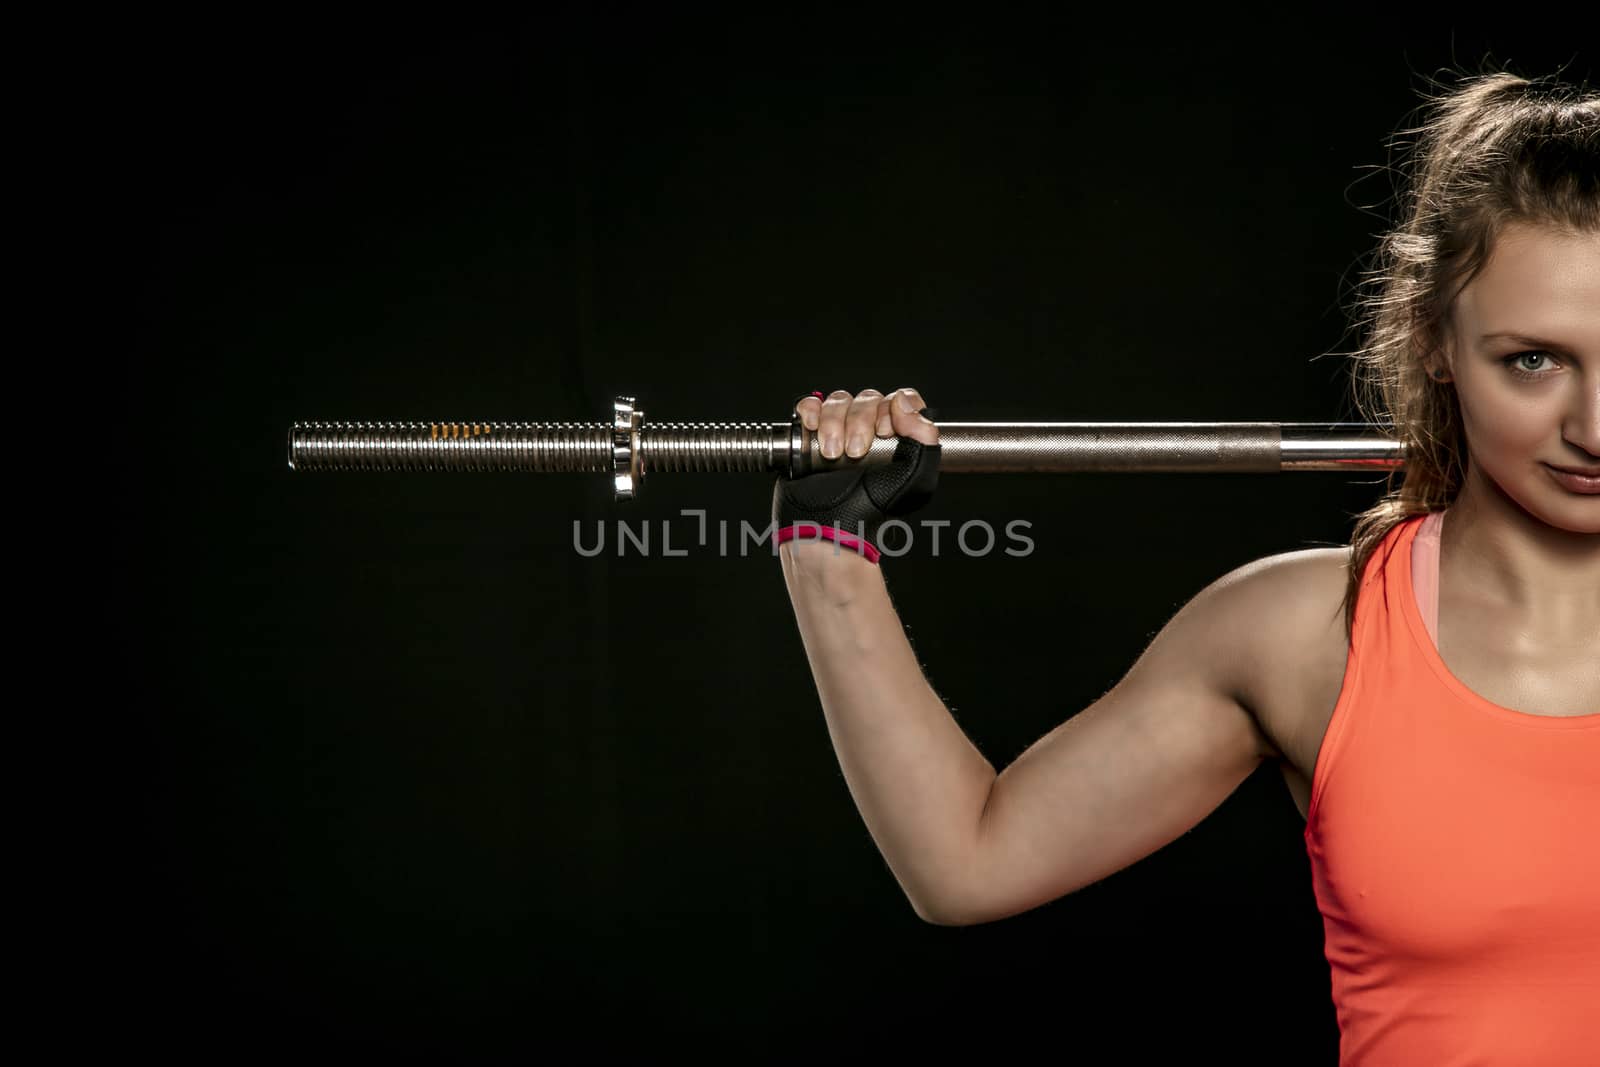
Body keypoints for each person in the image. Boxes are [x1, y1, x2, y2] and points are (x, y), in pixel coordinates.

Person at [771, 68, 1598, 1063]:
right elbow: (965, 861)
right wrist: (828, 551)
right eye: (1531, 359)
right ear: (1433, 342)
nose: (1593, 426)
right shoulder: (1301, 636)